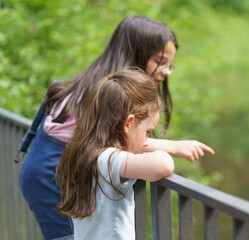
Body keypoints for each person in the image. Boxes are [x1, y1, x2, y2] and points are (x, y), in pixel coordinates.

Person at [19, 15, 214, 240]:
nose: (167, 71)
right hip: (51, 175)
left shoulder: (103, 85)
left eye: (170, 64)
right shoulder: (106, 94)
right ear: (137, 54)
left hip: (50, 168)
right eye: (160, 61)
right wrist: (171, 147)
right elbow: (116, 138)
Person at [57, 69, 174, 240]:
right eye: (148, 132)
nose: (146, 142)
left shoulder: (85, 151)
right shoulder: (110, 159)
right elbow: (163, 165)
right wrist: (156, 150)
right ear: (128, 124)